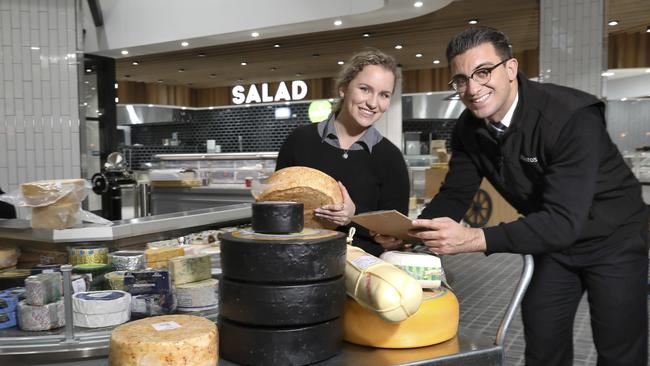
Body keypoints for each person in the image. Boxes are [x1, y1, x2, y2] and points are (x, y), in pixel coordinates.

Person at [399, 27, 647, 366]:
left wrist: (475, 238)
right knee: (543, 341)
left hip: (615, 239)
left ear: (511, 69)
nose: (472, 89)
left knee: (619, 350)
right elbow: (455, 195)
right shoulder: (469, 128)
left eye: (483, 72)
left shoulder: (571, 116)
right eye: (460, 79)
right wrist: (410, 233)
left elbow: (563, 221)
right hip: (553, 244)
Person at [276, 49, 409, 256]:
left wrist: (354, 216)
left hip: (363, 269)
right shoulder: (299, 141)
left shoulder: (391, 157)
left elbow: (394, 236)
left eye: (384, 95)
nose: (373, 103)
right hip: (298, 257)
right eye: (365, 89)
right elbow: (276, 207)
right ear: (343, 89)